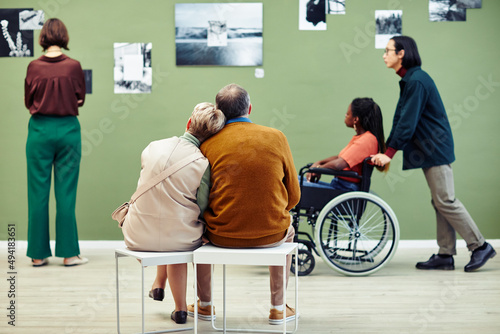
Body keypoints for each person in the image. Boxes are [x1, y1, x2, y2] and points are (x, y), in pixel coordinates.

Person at [371, 35, 496, 272]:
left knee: (446, 200)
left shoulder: (416, 81)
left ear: (402, 54)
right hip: (431, 148)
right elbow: (401, 118)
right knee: (440, 201)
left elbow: (407, 121)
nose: (384, 55)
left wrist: (390, 152)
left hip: (435, 148)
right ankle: (445, 254)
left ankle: (480, 246)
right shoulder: (410, 79)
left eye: (388, 50)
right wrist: (387, 150)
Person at [188, 84, 301, 325]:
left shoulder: (208, 143)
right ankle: (278, 308)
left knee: (200, 231)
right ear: (249, 108)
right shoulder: (277, 137)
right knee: (288, 231)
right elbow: (294, 195)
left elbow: (201, 196)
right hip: (271, 235)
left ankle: (205, 306)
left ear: (218, 111)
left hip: (220, 236)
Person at [120, 102, 225, 324]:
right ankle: (180, 310)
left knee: (163, 218)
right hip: (178, 239)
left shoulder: (152, 147)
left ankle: (159, 285)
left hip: (137, 236)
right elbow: (202, 205)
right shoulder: (203, 163)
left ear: (189, 123)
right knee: (175, 234)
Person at [24, 18, 88, 267]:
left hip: (39, 131)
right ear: (64, 37)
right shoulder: (74, 66)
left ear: (42, 38)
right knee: (66, 194)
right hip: (68, 131)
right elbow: (80, 99)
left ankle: (38, 255)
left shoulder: (33, 66)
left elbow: (28, 101)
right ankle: (69, 254)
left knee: (37, 194)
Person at [304, 97, 388, 191]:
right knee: (297, 182)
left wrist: (318, 170)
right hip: (341, 185)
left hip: (345, 188)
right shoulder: (362, 138)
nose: (345, 115)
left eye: (347, 114)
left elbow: (338, 165)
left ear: (356, 119)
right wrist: (319, 163)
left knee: (296, 187)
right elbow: (339, 158)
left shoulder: (367, 140)